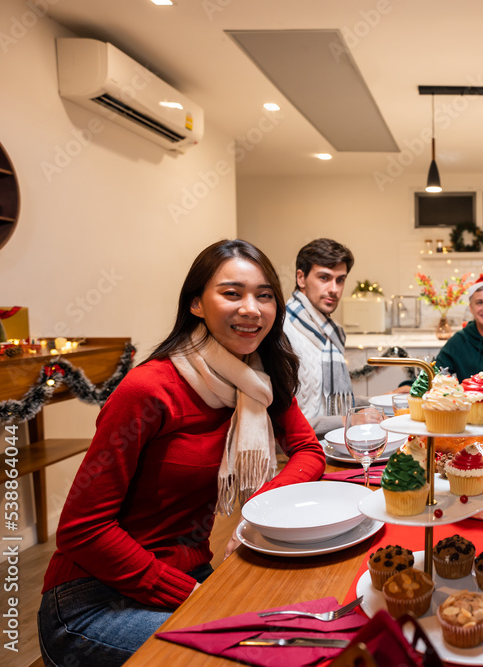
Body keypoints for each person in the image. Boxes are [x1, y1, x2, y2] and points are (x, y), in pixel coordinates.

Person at [38, 240, 326, 665]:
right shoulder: (148, 389)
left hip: (186, 574)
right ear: (196, 304)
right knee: (252, 657)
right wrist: (191, 596)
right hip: (94, 599)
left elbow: (307, 450)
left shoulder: (258, 380)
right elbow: (82, 529)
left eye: (264, 295)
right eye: (232, 293)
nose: (252, 308)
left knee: (303, 632)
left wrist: (257, 514)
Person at [283, 238, 356, 435]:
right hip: (293, 455)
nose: (334, 289)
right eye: (324, 277)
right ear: (301, 278)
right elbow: (284, 425)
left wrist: (378, 402)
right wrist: (351, 420)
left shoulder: (331, 332)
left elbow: (327, 401)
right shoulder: (282, 331)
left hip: (328, 445)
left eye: (340, 280)